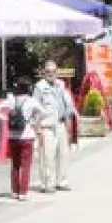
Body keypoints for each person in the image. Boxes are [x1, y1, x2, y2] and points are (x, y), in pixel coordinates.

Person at [33, 60, 75, 192]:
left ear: (57, 72)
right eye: (48, 71)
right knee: (47, 156)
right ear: (44, 73)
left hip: (61, 123)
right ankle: (47, 183)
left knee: (63, 154)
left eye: (53, 71)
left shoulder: (61, 85)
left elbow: (67, 105)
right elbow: (35, 108)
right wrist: (37, 128)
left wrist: (69, 126)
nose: (51, 74)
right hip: (47, 126)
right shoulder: (39, 87)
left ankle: (62, 181)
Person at [4, 77, 42, 201]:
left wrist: (7, 118)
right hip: (27, 135)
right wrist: (33, 121)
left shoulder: (11, 99)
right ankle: (23, 192)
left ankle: (14, 191)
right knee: (26, 165)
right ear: (29, 88)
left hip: (13, 136)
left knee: (15, 164)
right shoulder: (31, 101)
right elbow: (44, 112)